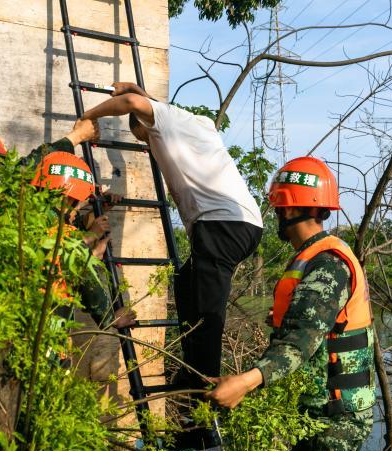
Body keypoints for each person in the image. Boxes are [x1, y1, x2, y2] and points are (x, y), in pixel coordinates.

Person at [75, 82, 263, 391]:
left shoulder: (164, 121)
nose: (148, 144)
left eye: (145, 137)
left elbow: (134, 103)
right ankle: (193, 372)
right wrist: (141, 92)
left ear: (149, 123)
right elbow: (143, 101)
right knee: (187, 284)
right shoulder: (193, 122)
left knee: (206, 312)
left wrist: (88, 116)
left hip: (222, 225)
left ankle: (202, 391)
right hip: (240, 223)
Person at [206, 156, 376, 451]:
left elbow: (301, 341)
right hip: (323, 409)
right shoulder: (316, 255)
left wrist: (246, 382)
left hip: (334, 417)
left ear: (292, 209)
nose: (276, 215)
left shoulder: (327, 265)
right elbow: (317, 323)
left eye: (278, 208)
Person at [29, 148, 136, 331]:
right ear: (70, 197)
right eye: (82, 200)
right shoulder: (58, 227)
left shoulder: (34, 214)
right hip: (47, 326)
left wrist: (99, 210)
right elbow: (76, 266)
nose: (83, 204)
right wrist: (110, 317)